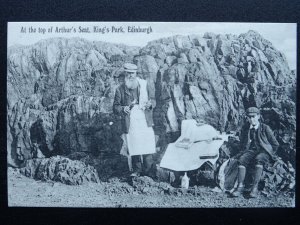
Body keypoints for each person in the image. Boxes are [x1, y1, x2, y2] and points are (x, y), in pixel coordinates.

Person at [113, 63, 156, 177]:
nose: (130, 75)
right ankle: (137, 171)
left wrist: (150, 104)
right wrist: (123, 108)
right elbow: (115, 107)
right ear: (125, 74)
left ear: (136, 73)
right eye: (128, 73)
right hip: (130, 120)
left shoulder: (144, 85)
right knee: (134, 145)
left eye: (132, 73)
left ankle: (148, 172)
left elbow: (153, 100)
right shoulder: (120, 89)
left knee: (147, 145)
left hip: (145, 119)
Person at [231, 107, 279, 198]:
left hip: (264, 151)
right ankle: (240, 187)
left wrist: (270, 153)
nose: (251, 119)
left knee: (259, 159)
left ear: (258, 116)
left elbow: (275, 144)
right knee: (242, 160)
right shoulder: (246, 128)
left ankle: (254, 188)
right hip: (251, 150)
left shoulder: (265, 128)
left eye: (253, 116)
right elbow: (242, 143)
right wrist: (241, 151)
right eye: (249, 117)